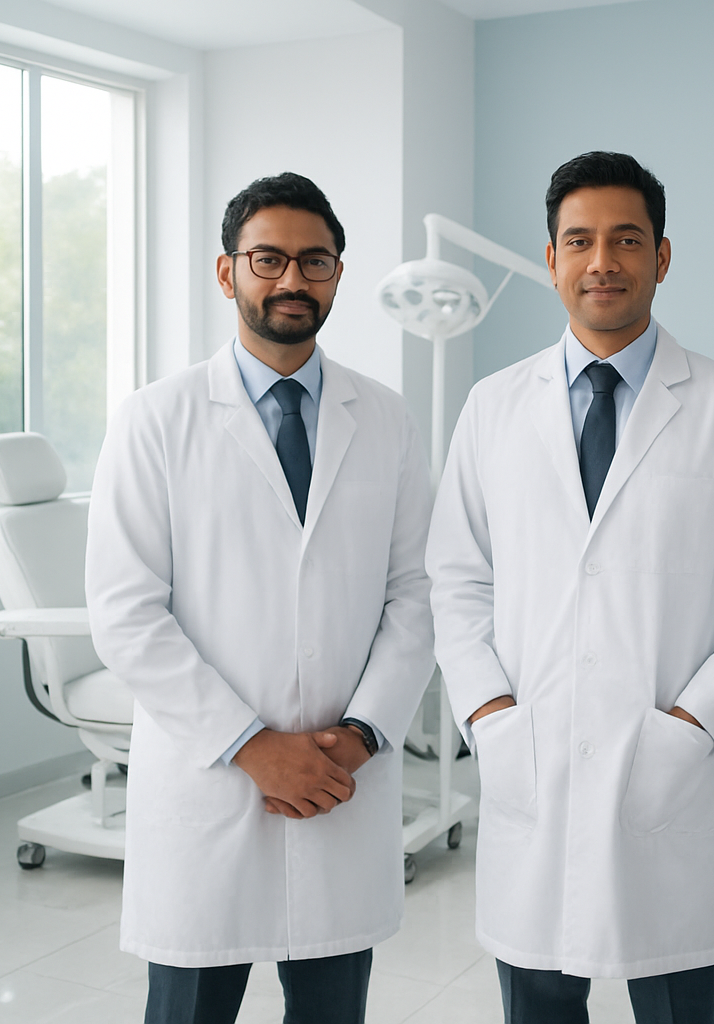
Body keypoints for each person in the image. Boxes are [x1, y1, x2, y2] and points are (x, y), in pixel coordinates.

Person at [426, 151, 714, 1024]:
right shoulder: (492, 406)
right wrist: (489, 715)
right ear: (553, 256)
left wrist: (691, 728)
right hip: (533, 760)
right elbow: (455, 578)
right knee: (538, 1004)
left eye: (627, 240)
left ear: (662, 258)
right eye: (581, 240)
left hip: (667, 771)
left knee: (676, 1002)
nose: (603, 261)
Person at [85, 172, 436, 1024]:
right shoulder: (154, 419)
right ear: (226, 271)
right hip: (212, 780)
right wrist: (250, 745)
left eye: (313, 261)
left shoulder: (385, 418)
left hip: (340, 777)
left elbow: (417, 592)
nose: (290, 280)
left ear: (339, 275)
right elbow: (127, 610)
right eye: (267, 258)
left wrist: (360, 734)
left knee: (330, 1007)